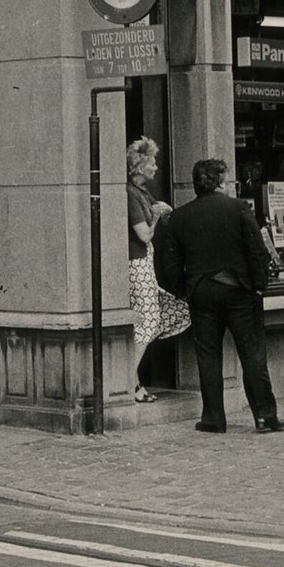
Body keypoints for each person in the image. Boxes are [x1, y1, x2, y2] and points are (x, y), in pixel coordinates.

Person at [159, 158, 284, 434]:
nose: (229, 184)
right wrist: (259, 285)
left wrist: (184, 290)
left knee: (208, 356)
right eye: (227, 180)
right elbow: (257, 251)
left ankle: (214, 419)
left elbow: (169, 264)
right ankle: (264, 415)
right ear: (220, 182)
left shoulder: (179, 217)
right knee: (252, 353)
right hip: (239, 290)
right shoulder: (238, 208)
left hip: (201, 292)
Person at [125, 137, 191, 404]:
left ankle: (132, 380)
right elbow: (143, 235)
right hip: (137, 263)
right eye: (151, 162)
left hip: (144, 263)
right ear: (139, 166)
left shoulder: (140, 192)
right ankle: (128, 380)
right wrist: (156, 216)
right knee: (149, 320)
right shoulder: (130, 194)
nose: (155, 167)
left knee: (156, 315)